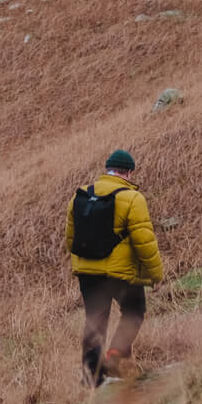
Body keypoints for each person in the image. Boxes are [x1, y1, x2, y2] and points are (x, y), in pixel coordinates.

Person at [65, 148, 165, 386]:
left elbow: (71, 238)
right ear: (128, 172)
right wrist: (155, 275)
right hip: (120, 274)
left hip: (88, 274)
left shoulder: (79, 196)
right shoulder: (132, 198)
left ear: (108, 170)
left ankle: (92, 379)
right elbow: (145, 242)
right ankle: (115, 356)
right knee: (134, 310)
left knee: (95, 321)